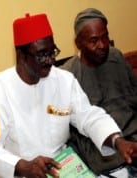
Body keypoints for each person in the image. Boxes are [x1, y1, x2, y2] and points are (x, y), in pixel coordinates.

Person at [0, 13, 137, 178]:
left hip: (62, 170)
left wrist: (117, 141)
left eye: (52, 52)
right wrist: (23, 166)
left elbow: (88, 116)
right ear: (21, 55)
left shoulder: (63, 80)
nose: (50, 61)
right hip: (16, 173)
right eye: (41, 55)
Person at [61, 8, 137, 177]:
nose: (102, 45)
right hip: (104, 159)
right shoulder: (68, 76)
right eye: (94, 40)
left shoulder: (116, 57)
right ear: (78, 43)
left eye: (105, 37)